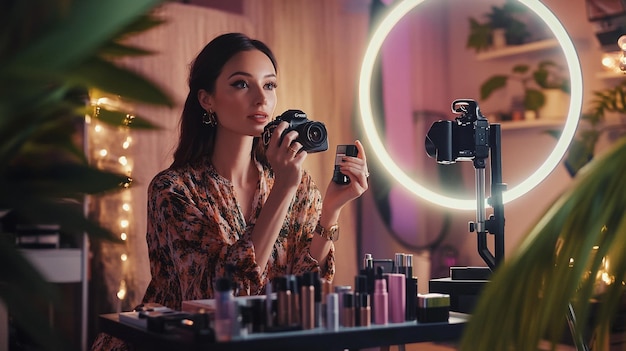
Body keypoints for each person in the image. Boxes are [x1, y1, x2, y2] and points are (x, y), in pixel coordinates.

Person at [92, 32, 368, 349]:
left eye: (269, 85)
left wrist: (332, 208)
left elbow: (306, 287)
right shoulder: (174, 191)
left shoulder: (298, 184)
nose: (261, 98)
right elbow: (216, 299)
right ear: (206, 99)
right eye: (241, 84)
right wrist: (283, 188)